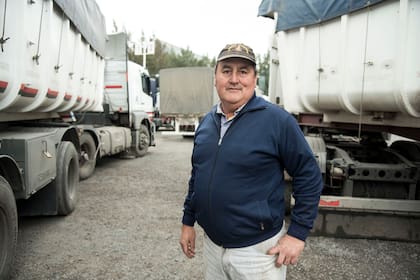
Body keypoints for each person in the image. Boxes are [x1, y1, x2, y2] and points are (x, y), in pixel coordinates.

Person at [179, 43, 323, 279]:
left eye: (243, 71)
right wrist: (188, 221)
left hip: (257, 252)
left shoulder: (277, 121)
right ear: (215, 78)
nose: (234, 79)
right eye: (226, 70)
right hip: (214, 247)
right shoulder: (206, 123)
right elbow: (197, 176)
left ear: (255, 79)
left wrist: (297, 234)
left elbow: (309, 175)